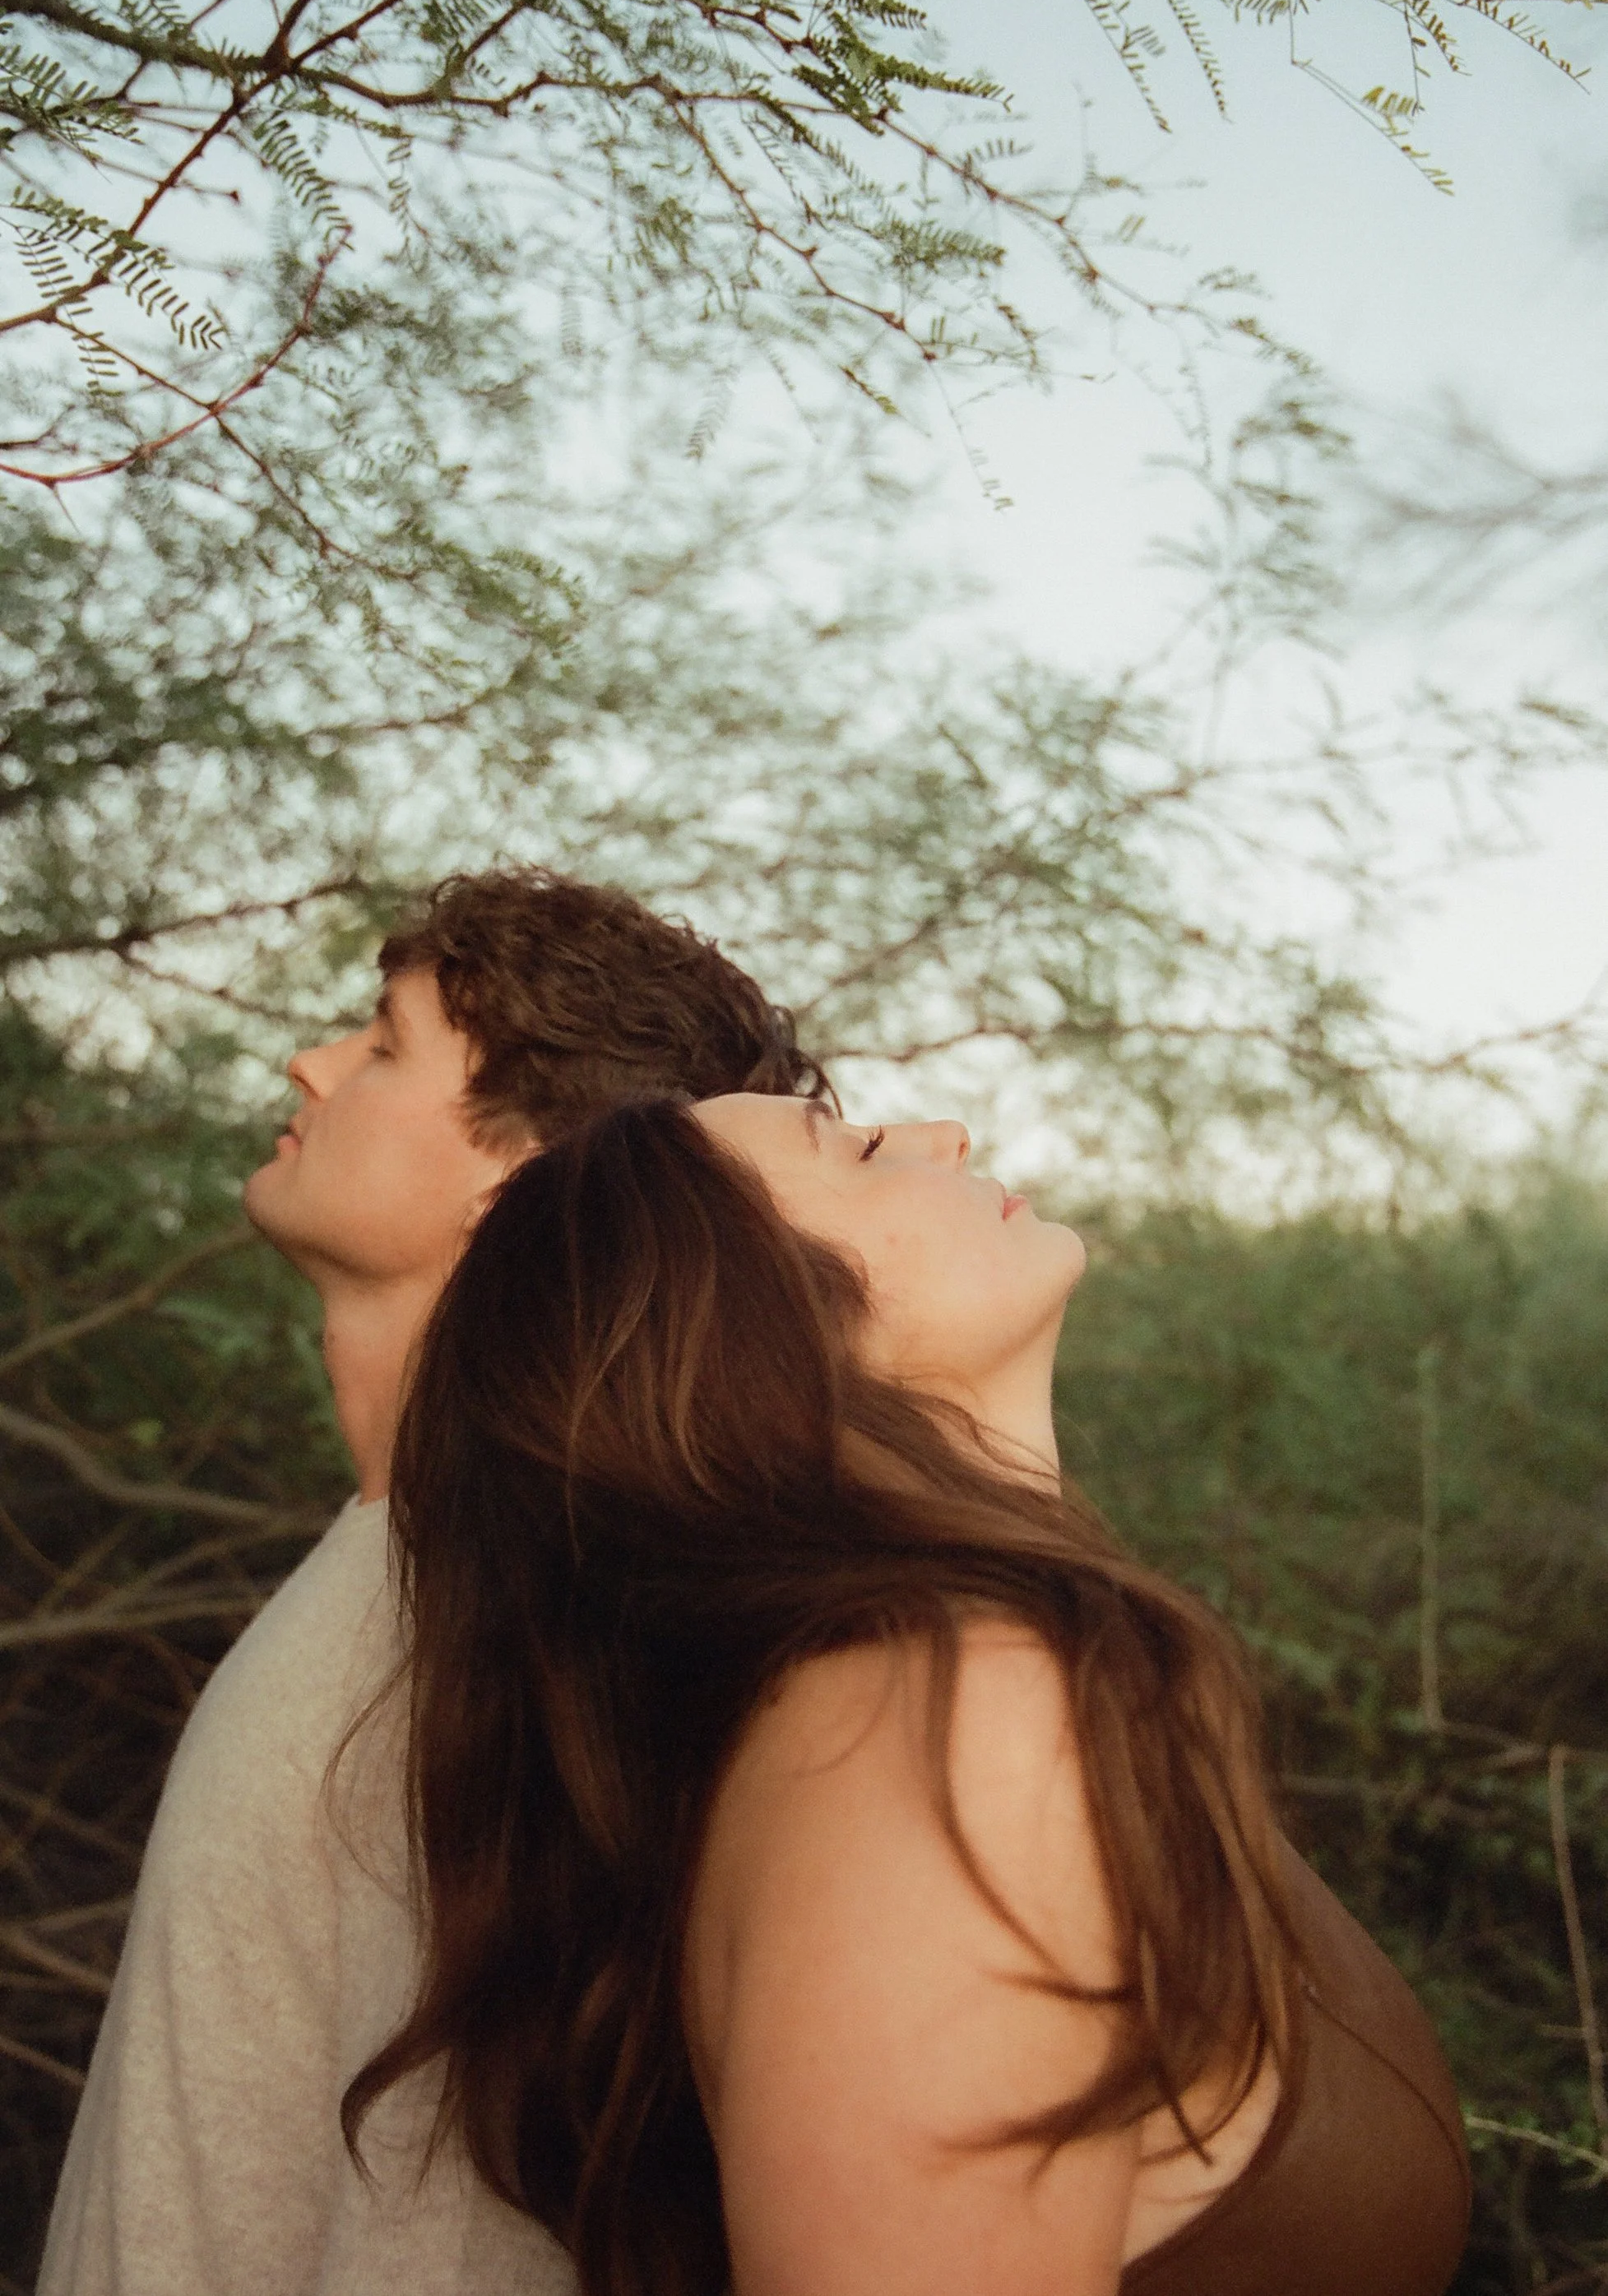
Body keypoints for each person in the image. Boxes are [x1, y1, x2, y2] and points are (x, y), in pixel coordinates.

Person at [359, 1092, 1472, 2296]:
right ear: (750, 1317)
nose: (943, 1134)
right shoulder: (943, 1721)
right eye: (860, 1147)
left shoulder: (955, 1690)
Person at [39, 872, 827, 2296]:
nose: (310, 1061)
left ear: (521, 1176)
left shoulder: (533, 1625)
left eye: (383, 1042)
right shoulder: (404, 1566)